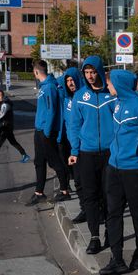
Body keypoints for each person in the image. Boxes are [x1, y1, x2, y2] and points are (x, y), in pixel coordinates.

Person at [98, 69, 138, 275]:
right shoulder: (117, 103)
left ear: (120, 84)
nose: (107, 86)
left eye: (110, 83)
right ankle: (117, 259)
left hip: (134, 169)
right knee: (113, 213)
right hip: (114, 167)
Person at [68, 55, 115, 254]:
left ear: (100, 72)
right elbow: (74, 125)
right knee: (90, 196)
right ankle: (94, 236)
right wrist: (74, 150)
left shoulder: (111, 94)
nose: (90, 76)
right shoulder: (80, 96)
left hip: (109, 153)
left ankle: (110, 233)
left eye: (93, 72)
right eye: (86, 72)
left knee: (109, 195)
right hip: (87, 153)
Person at [26, 60, 68, 207]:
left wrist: (47, 132)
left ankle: (64, 191)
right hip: (40, 130)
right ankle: (39, 192)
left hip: (46, 132)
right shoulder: (44, 87)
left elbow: (52, 110)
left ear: (36, 72)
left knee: (54, 161)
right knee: (39, 162)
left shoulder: (49, 87)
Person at [55, 66, 81, 199]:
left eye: (72, 80)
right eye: (68, 81)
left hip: (84, 145)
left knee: (84, 179)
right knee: (77, 179)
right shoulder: (67, 99)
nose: (70, 83)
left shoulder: (82, 97)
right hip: (70, 143)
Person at [0, 89, 29, 164]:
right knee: (13, 142)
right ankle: (25, 155)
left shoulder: (5, 104)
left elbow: (2, 113)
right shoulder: (2, 103)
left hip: (5, 127)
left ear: (3, 96)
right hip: (6, 126)